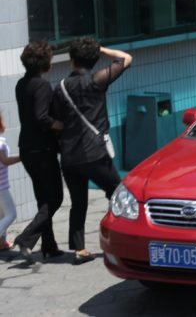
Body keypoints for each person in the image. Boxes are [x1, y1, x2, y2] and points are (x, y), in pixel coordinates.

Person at [52, 37, 132, 265]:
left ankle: (79, 248)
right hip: (95, 153)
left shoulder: (61, 88)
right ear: (94, 59)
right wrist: (102, 49)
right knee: (118, 193)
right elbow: (126, 58)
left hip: (69, 155)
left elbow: (57, 122)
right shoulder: (97, 80)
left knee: (78, 202)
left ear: (71, 60)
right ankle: (122, 239)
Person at [13, 41, 65, 264]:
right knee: (55, 198)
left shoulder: (20, 84)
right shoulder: (42, 86)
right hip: (42, 149)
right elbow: (42, 117)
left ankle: (49, 245)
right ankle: (26, 238)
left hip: (26, 148)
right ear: (45, 63)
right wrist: (61, 126)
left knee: (43, 198)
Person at [0, 112, 21, 253]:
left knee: (2, 215)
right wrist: (22, 157)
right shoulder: (0, 144)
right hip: (1, 187)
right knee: (11, 214)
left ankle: (2, 243)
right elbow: (5, 161)